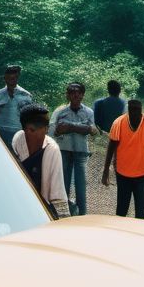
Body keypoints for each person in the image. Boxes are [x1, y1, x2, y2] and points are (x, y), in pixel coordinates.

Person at [101, 99, 144, 220]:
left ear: (142, 110)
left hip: (143, 175)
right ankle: (121, 237)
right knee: (121, 212)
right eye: (132, 110)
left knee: (141, 214)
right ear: (128, 111)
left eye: (137, 110)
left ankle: (138, 237)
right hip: (123, 175)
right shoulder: (119, 123)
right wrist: (105, 171)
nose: (135, 113)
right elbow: (111, 147)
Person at [11, 103, 70, 218]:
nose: (47, 131)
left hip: (41, 208)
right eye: (43, 128)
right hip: (18, 203)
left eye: (46, 127)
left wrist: (64, 221)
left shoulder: (52, 149)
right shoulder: (18, 140)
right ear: (28, 130)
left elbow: (57, 190)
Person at [51, 82, 99, 215]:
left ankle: (82, 215)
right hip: (64, 150)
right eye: (72, 92)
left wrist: (69, 127)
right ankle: (64, 214)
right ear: (67, 95)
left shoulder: (89, 112)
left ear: (83, 95)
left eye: (78, 92)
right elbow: (53, 130)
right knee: (63, 184)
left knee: (81, 185)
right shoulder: (60, 111)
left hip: (81, 152)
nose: (75, 94)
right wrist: (82, 127)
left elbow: (93, 130)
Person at [0, 65, 33, 147]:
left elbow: (30, 117)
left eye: (14, 78)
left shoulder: (25, 95)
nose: (11, 80)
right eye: (9, 78)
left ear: (17, 78)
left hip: (18, 133)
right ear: (4, 78)